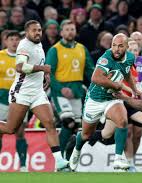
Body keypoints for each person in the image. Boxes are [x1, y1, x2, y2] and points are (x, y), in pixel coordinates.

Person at [0, 20, 68, 171]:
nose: (37, 33)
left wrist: (45, 74)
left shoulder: (38, 44)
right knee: (11, 129)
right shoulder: (24, 45)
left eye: (39, 30)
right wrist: (42, 68)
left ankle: (59, 161)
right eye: (34, 30)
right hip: (22, 92)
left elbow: (37, 64)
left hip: (37, 93)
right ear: (27, 32)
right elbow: (20, 67)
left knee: (49, 123)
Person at [69, 33, 142, 171]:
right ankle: (76, 150)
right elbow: (95, 78)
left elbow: (126, 73)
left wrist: (134, 89)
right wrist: (116, 85)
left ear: (126, 47)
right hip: (95, 99)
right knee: (86, 135)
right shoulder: (106, 58)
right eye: (114, 45)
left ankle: (118, 159)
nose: (116, 49)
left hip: (112, 98)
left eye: (120, 46)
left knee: (122, 121)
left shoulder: (131, 57)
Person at [45, 19, 94, 157]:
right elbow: (49, 74)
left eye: (72, 29)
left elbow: (91, 71)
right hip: (60, 91)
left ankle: (68, 159)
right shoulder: (54, 50)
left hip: (77, 90)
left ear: (75, 31)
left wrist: (99, 85)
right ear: (61, 32)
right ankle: (59, 159)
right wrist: (61, 89)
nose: (70, 32)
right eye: (67, 29)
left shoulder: (82, 49)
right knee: (68, 122)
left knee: (77, 127)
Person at [0, 30, 29, 172]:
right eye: (11, 39)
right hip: (1, 99)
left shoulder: (24, 58)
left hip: (19, 98)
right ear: (5, 41)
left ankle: (23, 166)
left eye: (17, 39)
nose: (14, 42)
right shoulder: (0, 56)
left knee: (20, 131)